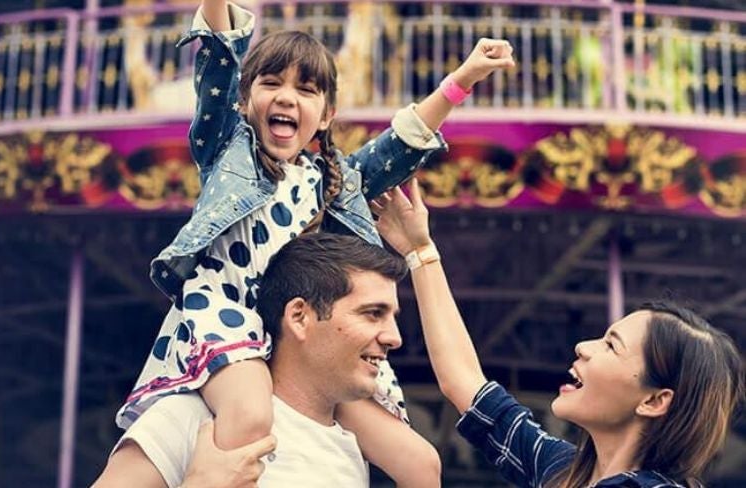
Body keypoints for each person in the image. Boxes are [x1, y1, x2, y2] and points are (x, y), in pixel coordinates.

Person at [110, 0, 514, 484]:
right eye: (271, 83)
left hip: (304, 339)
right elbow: (219, 56)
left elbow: (402, 143)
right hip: (229, 315)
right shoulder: (229, 150)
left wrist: (463, 79)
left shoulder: (334, 181)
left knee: (420, 461)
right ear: (243, 101)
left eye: (306, 89)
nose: (287, 98)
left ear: (326, 115)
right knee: (250, 416)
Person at [371, 178, 744, 488]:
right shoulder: (565, 471)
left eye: (612, 346)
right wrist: (420, 251)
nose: (583, 347)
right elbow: (464, 383)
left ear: (654, 401)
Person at [95, 232, 410, 487]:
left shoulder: (350, 451)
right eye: (373, 314)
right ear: (299, 317)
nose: (394, 337)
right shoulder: (196, 419)